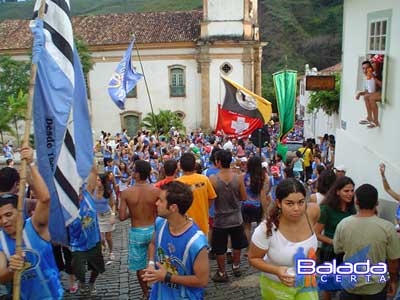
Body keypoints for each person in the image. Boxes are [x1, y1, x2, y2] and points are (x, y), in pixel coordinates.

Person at [0, 146, 63, 299]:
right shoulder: (1, 240)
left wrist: (31, 164)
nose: (4, 221)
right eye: (0, 218)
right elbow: (1, 275)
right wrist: (11, 270)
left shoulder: (35, 227)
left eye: (8, 214)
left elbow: (45, 199)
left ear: (19, 212)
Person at [248, 178, 320, 300]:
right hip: (276, 286)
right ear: (279, 203)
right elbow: (253, 258)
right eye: (289, 203)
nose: (297, 208)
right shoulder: (266, 229)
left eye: (301, 202)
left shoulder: (312, 212)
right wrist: (276, 270)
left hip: (307, 283)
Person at [142, 181, 209, 300]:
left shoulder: (197, 242)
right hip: (159, 294)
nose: (156, 203)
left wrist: (167, 277)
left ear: (173, 208)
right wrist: (151, 264)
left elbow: (202, 280)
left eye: (161, 200)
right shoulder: (160, 223)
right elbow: (153, 243)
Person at [333, 184, 400, 299]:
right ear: (377, 203)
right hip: (376, 287)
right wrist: (392, 281)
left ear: (356, 202)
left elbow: (338, 249)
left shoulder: (343, 224)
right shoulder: (387, 228)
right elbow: (393, 262)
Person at [119, 159, 160, 300]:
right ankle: (157, 290)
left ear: (136, 174)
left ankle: (145, 292)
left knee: (139, 266)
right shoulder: (156, 191)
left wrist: (133, 211)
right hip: (153, 230)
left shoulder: (126, 193)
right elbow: (161, 212)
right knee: (158, 261)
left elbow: (122, 216)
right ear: (149, 173)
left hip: (137, 232)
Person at [314, 176, 357, 300]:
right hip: (329, 252)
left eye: (352, 191)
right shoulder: (326, 209)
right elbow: (316, 233)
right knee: (328, 286)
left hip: (347, 253)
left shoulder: (352, 209)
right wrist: (334, 242)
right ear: (337, 191)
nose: (350, 194)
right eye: (346, 191)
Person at [209, 150, 248, 282]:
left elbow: (211, 200)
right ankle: (236, 267)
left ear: (218, 162)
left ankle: (221, 272)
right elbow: (244, 197)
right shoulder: (238, 178)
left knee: (220, 248)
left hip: (220, 219)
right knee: (237, 244)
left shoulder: (213, 179)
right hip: (236, 218)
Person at [69, 165, 105, 295]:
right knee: (78, 267)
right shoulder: (67, 203)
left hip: (93, 239)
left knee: (98, 266)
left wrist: (88, 153)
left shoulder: (87, 192)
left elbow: (93, 171)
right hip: (77, 243)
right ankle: (83, 283)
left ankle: (91, 283)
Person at [176, 152, 217, 235]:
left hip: (183, 226)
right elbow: (212, 197)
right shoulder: (204, 180)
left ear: (180, 166)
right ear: (194, 165)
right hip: (202, 224)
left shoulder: (177, 183)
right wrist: (204, 208)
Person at [94, 171, 116, 261]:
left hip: (107, 215)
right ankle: (103, 246)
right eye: (96, 180)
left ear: (102, 181)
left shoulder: (108, 191)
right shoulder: (93, 191)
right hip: (97, 216)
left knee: (108, 237)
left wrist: (113, 215)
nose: (97, 182)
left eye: (98, 180)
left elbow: (113, 204)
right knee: (101, 237)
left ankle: (111, 251)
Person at [355, 56, 382, 128]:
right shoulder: (367, 78)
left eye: (367, 68)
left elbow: (382, 85)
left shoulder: (375, 74)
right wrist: (360, 93)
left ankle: (375, 120)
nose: (365, 70)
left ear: (371, 68)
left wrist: (374, 77)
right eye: (363, 68)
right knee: (366, 97)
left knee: (370, 98)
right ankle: (370, 118)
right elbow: (368, 91)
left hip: (381, 93)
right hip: (375, 94)